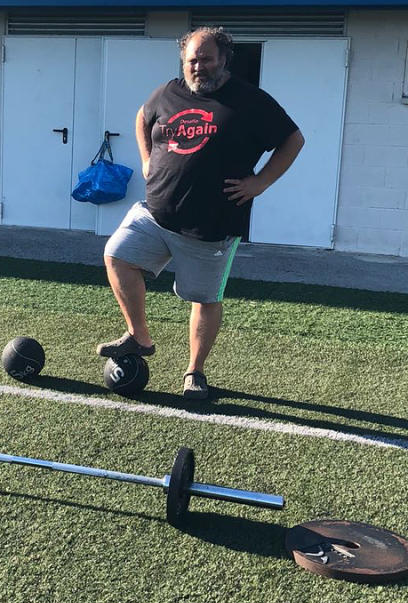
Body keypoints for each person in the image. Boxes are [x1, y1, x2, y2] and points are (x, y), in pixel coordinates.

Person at [97, 26, 304, 400]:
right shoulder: (169, 91)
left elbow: (293, 139)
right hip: (156, 213)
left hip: (211, 226)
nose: (198, 66)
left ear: (223, 60)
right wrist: (146, 160)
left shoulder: (249, 100)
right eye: (192, 59)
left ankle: (194, 371)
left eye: (206, 59)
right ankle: (139, 337)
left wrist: (260, 183)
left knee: (204, 299)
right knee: (116, 255)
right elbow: (142, 118)